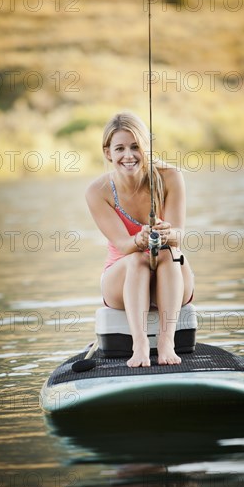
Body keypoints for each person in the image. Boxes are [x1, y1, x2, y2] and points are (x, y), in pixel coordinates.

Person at [86, 111, 194, 368]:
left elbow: (179, 234)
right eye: (120, 148)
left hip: (169, 271)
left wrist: (168, 233)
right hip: (123, 278)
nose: (129, 155)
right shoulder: (97, 191)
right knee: (136, 259)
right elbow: (123, 245)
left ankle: (167, 342)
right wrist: (140, 239)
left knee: (168, 251)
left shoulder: (170, 176)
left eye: (136, 147)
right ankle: (141, 344)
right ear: (107, 153)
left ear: (146, 147)